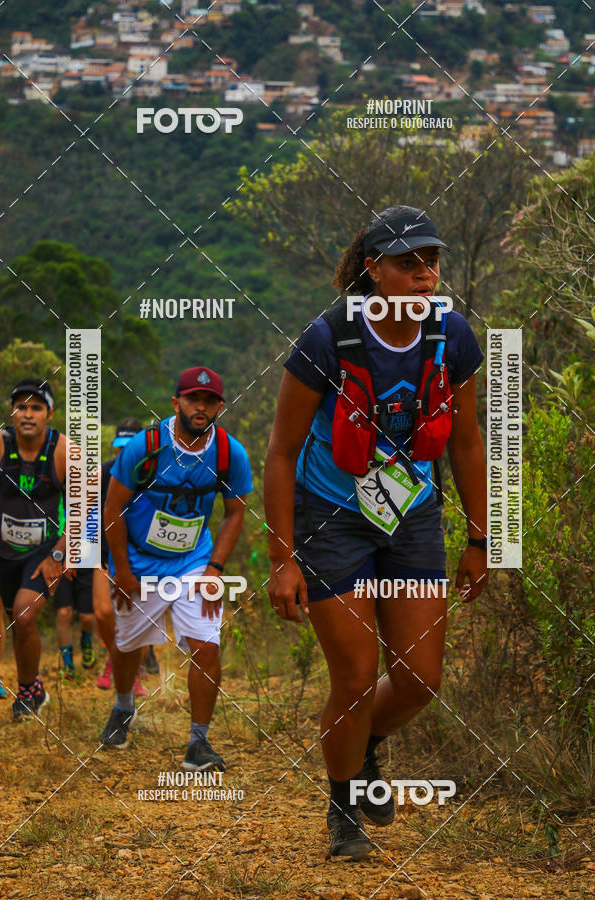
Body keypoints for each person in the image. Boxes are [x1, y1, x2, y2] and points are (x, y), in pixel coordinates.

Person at [264, 206, 488, 859]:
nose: (425, 275)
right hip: (332, 519)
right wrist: (283, 560)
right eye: (408, 263)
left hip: (411, 517)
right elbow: (281, 452)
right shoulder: (328, 338)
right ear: (374, 269)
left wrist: (481, 539)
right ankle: (344, 810)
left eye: (432, 262)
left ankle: (364, 747)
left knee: (419, 678)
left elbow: (467, 443)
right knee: (356, 677)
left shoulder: (452, 337)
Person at [100, 367, 253, 770]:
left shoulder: (228, 453)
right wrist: (122, 569)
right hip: (138, 561)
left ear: (220, 406)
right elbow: (112, 508)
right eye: (192, 399)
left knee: (207, 646)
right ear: (176, 403)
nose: (200, 407)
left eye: (209, 401)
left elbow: (235, 513)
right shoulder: (144, 446)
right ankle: (122, 707)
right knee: (128, 645)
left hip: (193, 562)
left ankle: (198, 744)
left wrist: (215, 567)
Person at [0, 379, 71, 719]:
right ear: (12, 411)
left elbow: (87, 509)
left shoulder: (64, 451)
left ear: (49, 413)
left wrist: (59, 555)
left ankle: (29, 690)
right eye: (21, 407)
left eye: (36, 407)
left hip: (42, 552)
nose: (27, 414)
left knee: (24, 615)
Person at [94, 418, 151, 698]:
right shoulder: (104, 472)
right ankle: (115, 659)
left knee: (134, 619)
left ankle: (133, 672)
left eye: (131, 448)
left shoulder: (153, 476)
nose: (124, 454)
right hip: (104, 552)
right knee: (103, 613)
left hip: (140, 556)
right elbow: (87, 513)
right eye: (121, 448)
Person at [52, 568, 96, 678]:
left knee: (87, 617)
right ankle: (68, 665)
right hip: (61, 565)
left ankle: (86, 642)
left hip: (87, 563)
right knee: (63, 613)